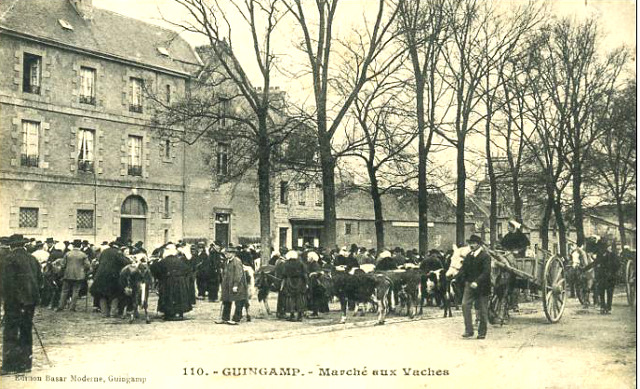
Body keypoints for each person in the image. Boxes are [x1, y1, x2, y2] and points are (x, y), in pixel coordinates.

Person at [0, 234, 42, 375]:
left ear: (11, 246)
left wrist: (5, 300)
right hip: (30, 302)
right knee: (26, 331)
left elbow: (6, 284)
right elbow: (40, 281)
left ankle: (9, 366)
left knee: (10, 332)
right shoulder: (32, 259)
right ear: (23, 245)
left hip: (14, 302)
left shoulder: (8, 260)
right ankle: (26, 364)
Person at [459, 234, 491, 340]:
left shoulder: (485, 256)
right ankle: (469, 330)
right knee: (464, 305)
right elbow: (463, 269)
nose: (471, 245)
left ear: (478, 244)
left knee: (482, 310)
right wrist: (459, 278)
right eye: (470, 243)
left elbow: (486, 272)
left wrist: (477, 282)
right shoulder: (469, 256)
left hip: (482, 287)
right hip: (469, 285)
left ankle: (482, 332)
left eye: (473, 243)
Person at [150, 244, 193, 320]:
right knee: (179, 297)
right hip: (180, 282)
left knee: (168, 297)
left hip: (168, 282)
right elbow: (187, 270)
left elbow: (155, 270)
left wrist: (160, 278)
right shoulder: (179, 260)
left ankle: (169, 314)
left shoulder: (164, 261)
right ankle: (179, 313)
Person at [90, 238, 130, 317]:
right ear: (119, 246)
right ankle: (113, 313)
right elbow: (125, 262)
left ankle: (104, 313)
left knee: (102, 294)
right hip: (112, 276)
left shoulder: (104, 251)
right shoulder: (118, 252)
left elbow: (100, 261)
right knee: (116, 294)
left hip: (100, 275)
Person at [57, 239, 90, 312]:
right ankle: (72, 307)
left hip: (68, 274)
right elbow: (87, 265)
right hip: (79, 276)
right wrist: (82, 269)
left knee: (64, 291)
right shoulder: (83, 254)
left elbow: (63, 264)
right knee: (75, 291)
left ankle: (61, 306)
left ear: (73, 245)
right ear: (80, 245)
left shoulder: (68, 253)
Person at [217, 249, 247, 325]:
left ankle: (236, 319)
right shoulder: (227, 261)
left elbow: (238, 274)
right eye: (225, 253)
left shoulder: (237, 261)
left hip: (237, 285)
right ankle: (225, 318)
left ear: (233, 253)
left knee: (238, 301)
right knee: (226, 300)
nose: (226, 254)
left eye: (228, 253)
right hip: (228, 285)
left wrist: (236, 285)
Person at [281, 250, 308, 322]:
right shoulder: (300, 263)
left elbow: (283, 274)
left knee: (290, 298)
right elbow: (305, 273)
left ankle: (292, 315)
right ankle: (299, 315)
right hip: (299, 281)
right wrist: (306, 283)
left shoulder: (286, 264)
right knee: (299, 297)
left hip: (290, 281)